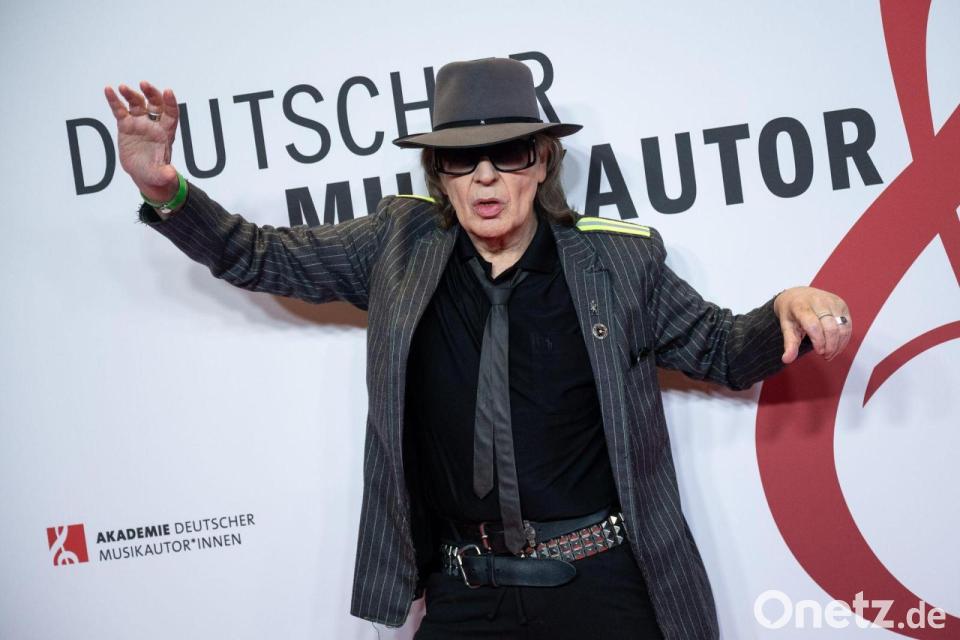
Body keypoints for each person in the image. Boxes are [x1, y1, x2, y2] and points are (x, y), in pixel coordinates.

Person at [105, 57, 852, 639]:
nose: (486, 176)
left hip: (600, 586)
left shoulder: (617, 263)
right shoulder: (397, 245)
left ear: (542, 163)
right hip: (466, 592)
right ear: (440, 174)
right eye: (463, 159)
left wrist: (786, 306)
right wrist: (168, 192)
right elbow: (257, 255)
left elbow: (723, 349)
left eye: (508, 153)